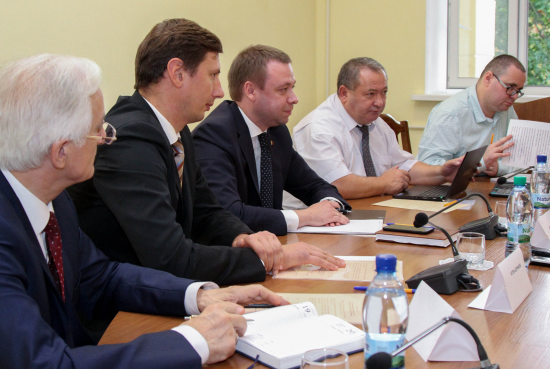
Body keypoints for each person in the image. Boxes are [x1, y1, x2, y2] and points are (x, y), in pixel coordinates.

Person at [0, 54, 289, 368]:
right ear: (60, 151)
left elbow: (100, 277)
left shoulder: (44, 191)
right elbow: (43, 364)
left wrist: (197, 296)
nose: (106, 138)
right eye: (99, 129)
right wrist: (194, 341)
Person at [68, 19, 346, 287]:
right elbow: (170, 257)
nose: (220, 91)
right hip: (123, 304)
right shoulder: (131, 139)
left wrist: (244, 237)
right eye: (212, 75)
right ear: (177, 73)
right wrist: (270, 260)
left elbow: (206, 211)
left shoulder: (177, 133)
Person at [192, 45, 350, 235]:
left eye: (292, 88)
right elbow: (227, 214)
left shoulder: (276, 132)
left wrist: (329, 205)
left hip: (274, 243)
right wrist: (305, 216)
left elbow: (314, 186)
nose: (294, 98)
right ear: (251, 91)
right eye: (283, 89)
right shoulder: (214, 135)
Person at [291, 57, 463, 200]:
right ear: (344, 93)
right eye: (370, 94)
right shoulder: (318, 128)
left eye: (384, 92)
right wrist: (384, 183)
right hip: (319, 220)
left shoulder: (375, 122)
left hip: (368, 209)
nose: (380, 102)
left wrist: (442, 173)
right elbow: (336, 185)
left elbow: (403, 166)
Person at [417, 54, 526, 176]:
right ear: (488, 78)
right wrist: (481, 162)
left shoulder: (506, 108)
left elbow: (519, 160)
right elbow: (428, 166)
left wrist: (498, 167)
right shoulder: (450, 113)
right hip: (454, 187)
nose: (514, 96)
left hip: (486, 184)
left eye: (518, 91)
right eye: (510, 88)